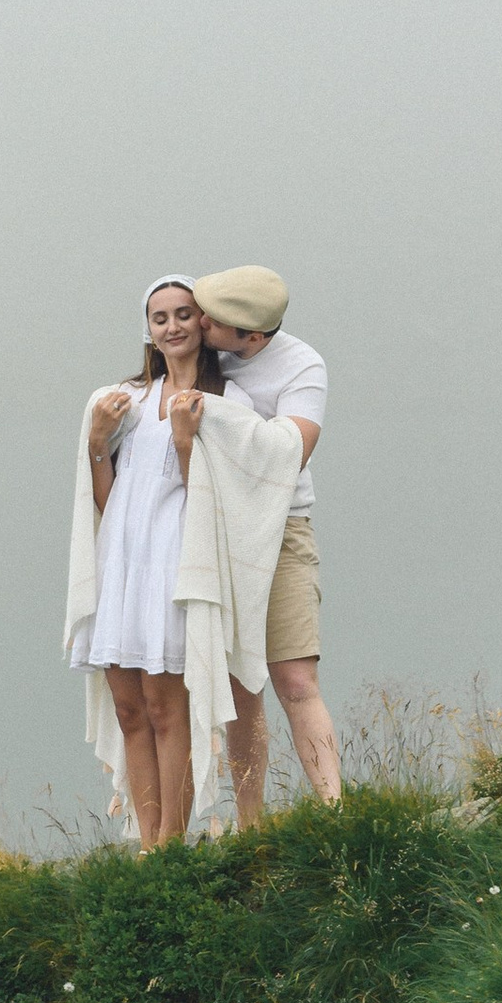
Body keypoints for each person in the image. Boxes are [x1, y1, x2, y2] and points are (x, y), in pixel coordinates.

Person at [64, 280, 305, 845]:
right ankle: (149, 843)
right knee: (129, 709)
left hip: (176, 564)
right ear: (146, 329)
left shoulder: (225, 405)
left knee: (166, 706)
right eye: (158, 317)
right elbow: (105, 500)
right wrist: (99, 439)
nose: (171, 327)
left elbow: (225, 509)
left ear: (203, 323)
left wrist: (185, 443)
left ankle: (172, 842)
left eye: (182, 315)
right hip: (123, 560)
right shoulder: (121, 400)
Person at [191, 265, 342, 820]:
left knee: (296, 679)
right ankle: (250, 823)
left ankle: (333, 814)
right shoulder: (198, 351)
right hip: (216, 534)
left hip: (282, 532)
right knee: (238, 686)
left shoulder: (302, 364)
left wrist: (223, 413)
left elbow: (294, 449)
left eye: (215, 320)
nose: (201, 322)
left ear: (253, 337)